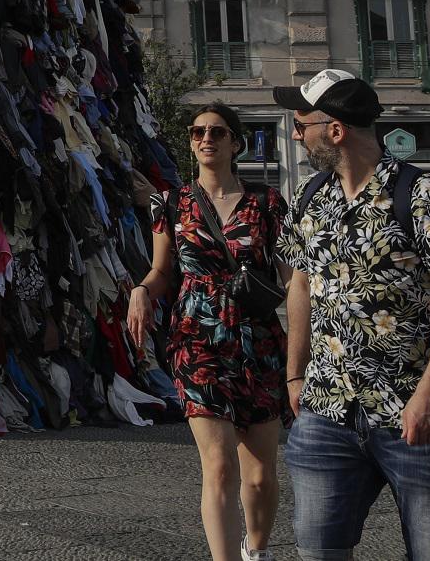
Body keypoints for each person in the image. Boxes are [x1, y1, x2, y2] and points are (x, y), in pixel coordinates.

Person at [276, 69, 430, 561]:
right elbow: (300, 285)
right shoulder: (310, 196)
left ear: (335, 129)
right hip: (325, 412)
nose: (295, 132)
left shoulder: (424, 196)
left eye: (301, 122)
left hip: (415, 414)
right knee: (317, 549)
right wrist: (294, 375)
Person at [127, 102, 289, 561]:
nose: (205, 139)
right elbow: (162, 271)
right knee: (219, 468)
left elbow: (291, 277)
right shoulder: (171, 203)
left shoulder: (267, 203)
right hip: (197, 340)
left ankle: (256, 550)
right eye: (198, 132)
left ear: (235, 142)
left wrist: (308, 339)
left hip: (258, 342)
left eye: (217, 132)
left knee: (259, 475)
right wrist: (142, 290)